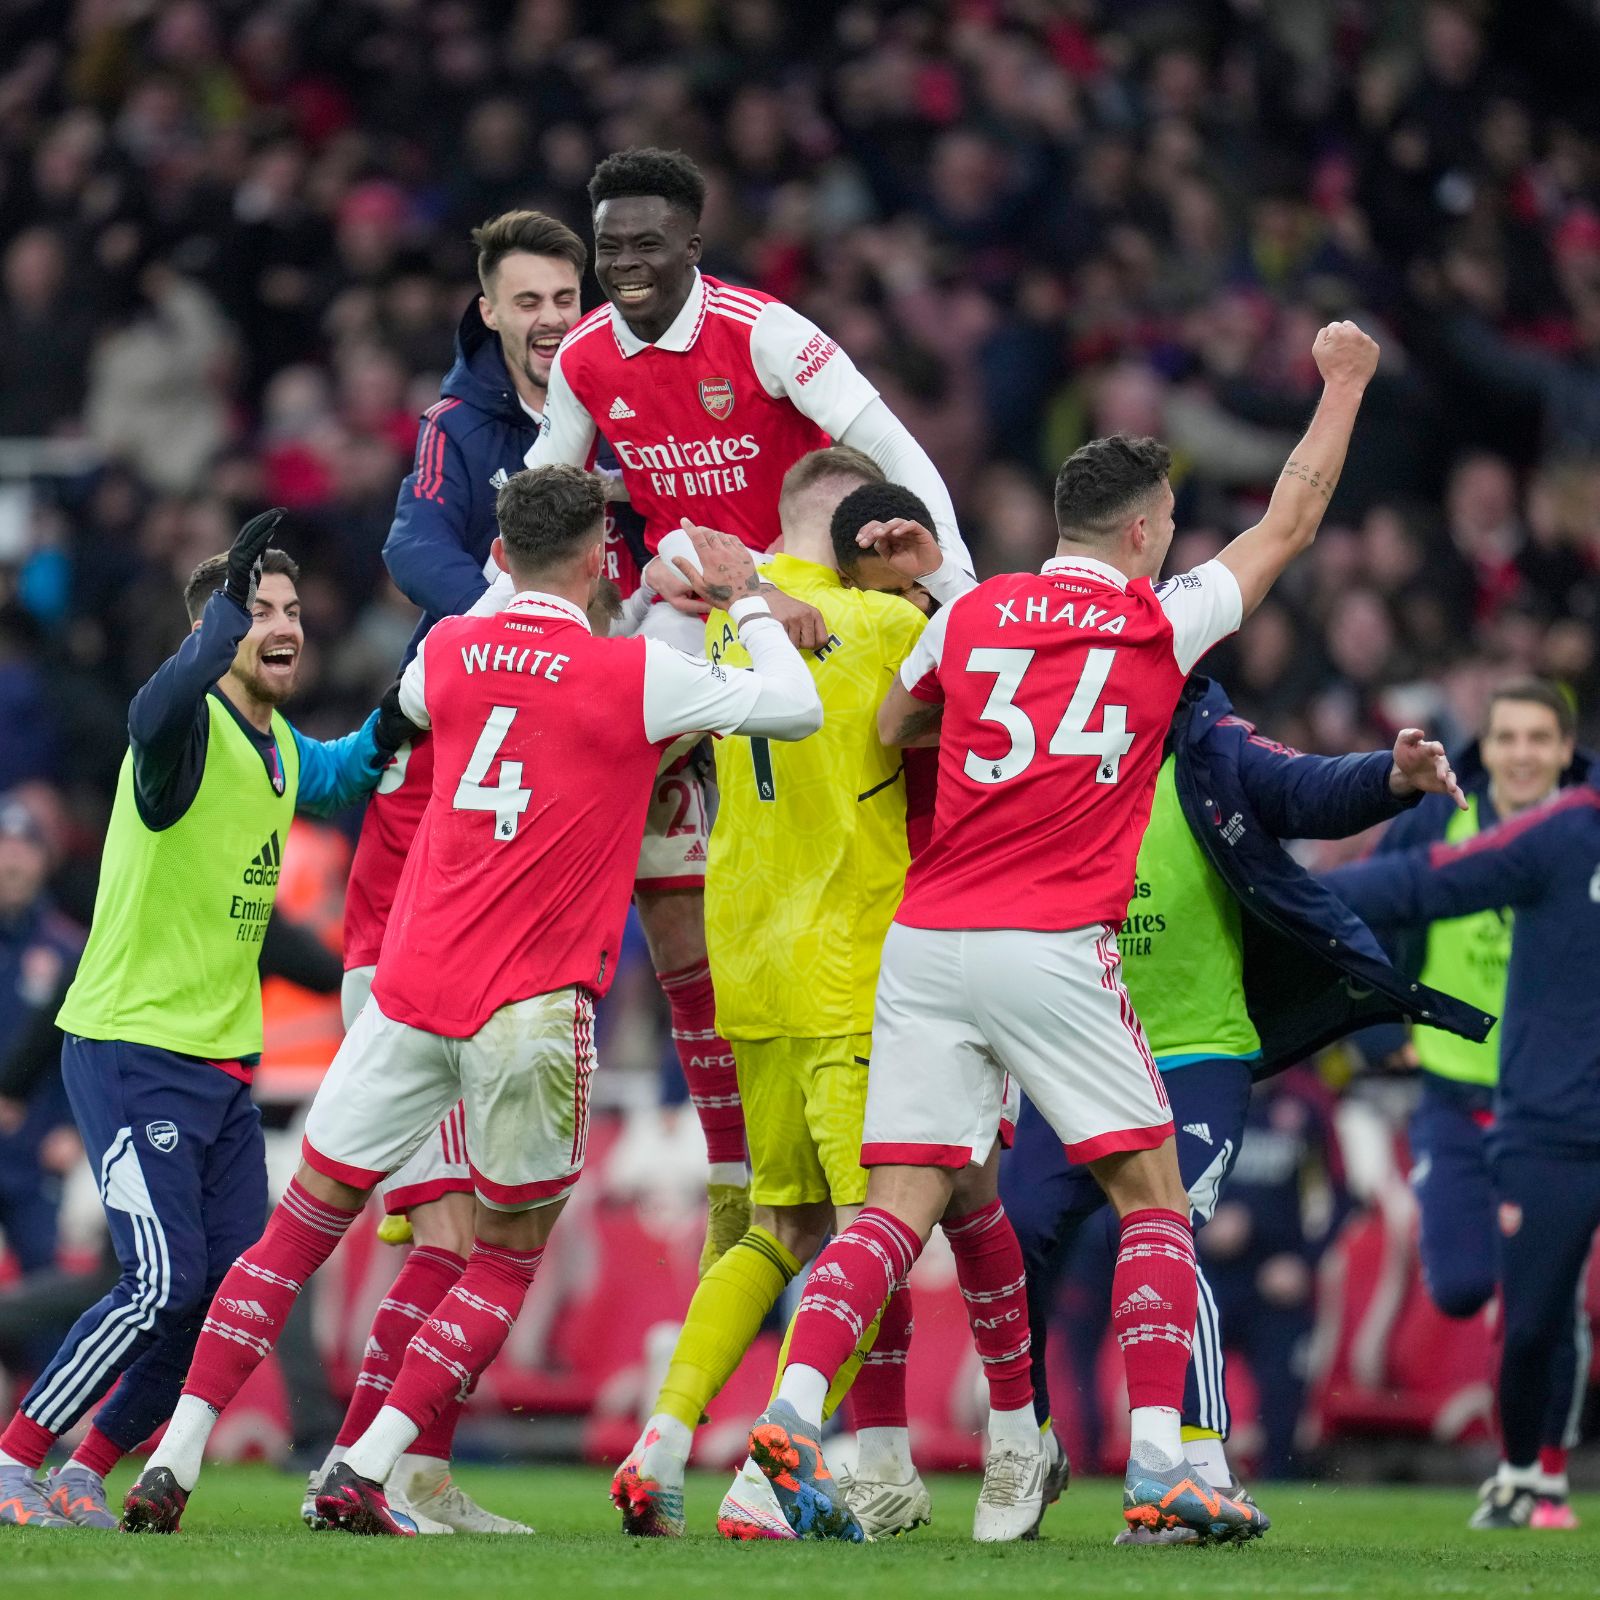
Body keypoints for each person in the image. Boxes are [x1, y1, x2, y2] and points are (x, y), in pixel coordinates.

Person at [743, 319, 1381, 1545]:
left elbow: (888, 727)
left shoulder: (971, 614)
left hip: (926, 941)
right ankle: (1160, 1467)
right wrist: (1341, 383)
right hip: (1051, 943)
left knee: (889, 1211)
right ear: (1146, 532)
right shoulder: (1160, 619)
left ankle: (788, 1428)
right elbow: (1291, 520)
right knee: (1150, 1200)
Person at [120, 465, 822, 1536]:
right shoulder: (628, 673)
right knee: (504, 1249)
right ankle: (370, 1457)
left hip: (406, 988)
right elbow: (798, 707)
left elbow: (396, 724)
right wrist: (747, 601)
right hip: (530, 1007)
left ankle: (174, 1454)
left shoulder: (445, 653)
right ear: (598, 560)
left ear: (499, 553)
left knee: (297, 1233)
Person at [527, 147, 979, 1271]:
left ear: (692, 244)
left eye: (646, 245)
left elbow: (892, 448)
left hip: (800, 594)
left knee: (859, 775)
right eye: (609, 248)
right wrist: (512, 619)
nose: (625, 266)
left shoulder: (763, 330)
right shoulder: (585, 357)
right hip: (690, 605)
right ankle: (544, 990)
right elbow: (545, 495)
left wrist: (957, 593)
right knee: (567, 731)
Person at [612, 457, 1047, 1544]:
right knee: (882, 1226)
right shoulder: (887, 627)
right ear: (872, 529)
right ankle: (779, 1470)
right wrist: (933, 582)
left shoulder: (719, 625)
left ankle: (660, 1439)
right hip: (857, 968)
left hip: (743, 967)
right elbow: (1016, 670)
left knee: (781, 1224)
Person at [0, 511, 419, 1531]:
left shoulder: (275, 747)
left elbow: (353, 764)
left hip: (225, 1061)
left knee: (230, 1298)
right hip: (133, 1045)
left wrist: (430, 671)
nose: (284, 624)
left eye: (289, 610)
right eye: (257, 610)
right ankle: (16, 1456)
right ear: (217, 628)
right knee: (157, 1282)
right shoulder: (181, 734)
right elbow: (150, 709)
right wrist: (218, 617)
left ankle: (85, 1466)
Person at [999, 682, 1488, 1539]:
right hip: (1078, 1048)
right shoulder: (1041, 752)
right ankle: (1027, 1437)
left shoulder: (1209, 747)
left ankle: (1199, 1465)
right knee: (1011, 1234)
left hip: (1197, 1052)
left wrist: (1391, 777)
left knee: (1163, 1225)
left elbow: (1303, 789)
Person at [307, 208, 604, 1538]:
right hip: (438, 918)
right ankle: (376, 1466)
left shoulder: (615, 403)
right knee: (450, 1230)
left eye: (567, 295)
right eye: (528, 297)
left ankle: (390, 1467)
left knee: (462, 1223)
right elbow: (415, 557)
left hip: (566, 796)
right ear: (487, 309)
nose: (551, 316)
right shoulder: (455, 430)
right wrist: (530, 639)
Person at [1325, 752, 1600, 1533]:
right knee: (1512, 1305)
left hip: (1549, 1112)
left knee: (1549, 1313)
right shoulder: (1560, 835)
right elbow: (1422, 883)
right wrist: (1292, 892)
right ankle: (1525, 1474)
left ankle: (1538, 1477)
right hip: (1536, 1121)